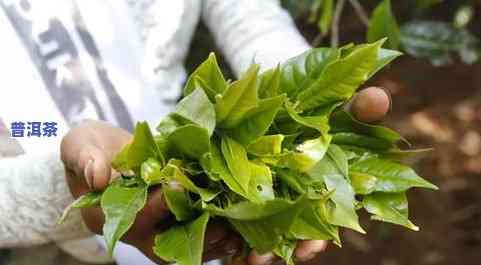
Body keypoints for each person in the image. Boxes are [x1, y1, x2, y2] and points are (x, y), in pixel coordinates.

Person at [0, 0, 390, 264]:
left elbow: (246, 12)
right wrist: (60, 189)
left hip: (189, 168)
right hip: (54, 249)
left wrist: (298, 91)